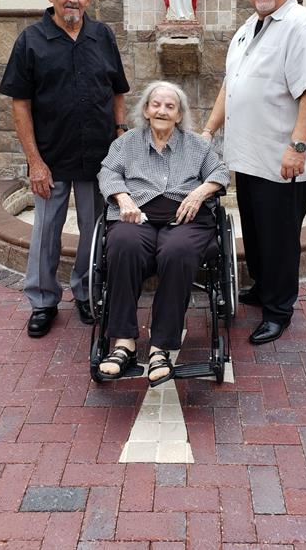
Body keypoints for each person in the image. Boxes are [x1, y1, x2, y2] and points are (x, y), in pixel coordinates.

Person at [202, 0, 306, 345]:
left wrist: (297, 147)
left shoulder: (302, 27)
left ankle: (279, 311)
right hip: (249, 159)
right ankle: (261, 288)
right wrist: (208, 130)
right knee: (257, 233)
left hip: (282, 162)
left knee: (278, 239)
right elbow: (232, 85)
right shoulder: (248, 28)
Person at [0, 0, 130, 338]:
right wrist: (34, 162)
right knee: (45, 232)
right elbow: (20, 104)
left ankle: (87, 293)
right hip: (51, 159)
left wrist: (120, 132)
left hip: (97, 157)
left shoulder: (101, 36)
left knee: (93, 230)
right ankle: (42, 302)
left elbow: (118, 89)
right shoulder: (31, 41)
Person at [97, 81, 230, 386]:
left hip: (185, 219)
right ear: (145, 110)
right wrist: (122, 197)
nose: (162, 110)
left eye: (170, 106)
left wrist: (199, 194)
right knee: (122, 245)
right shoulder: (126, 143)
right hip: (137, 217)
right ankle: (123, 343)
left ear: (179, 115)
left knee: (177, 252)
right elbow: (107, 172)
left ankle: (161, 347)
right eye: (156, 104)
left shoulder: (197, 145)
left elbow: (221, 173)